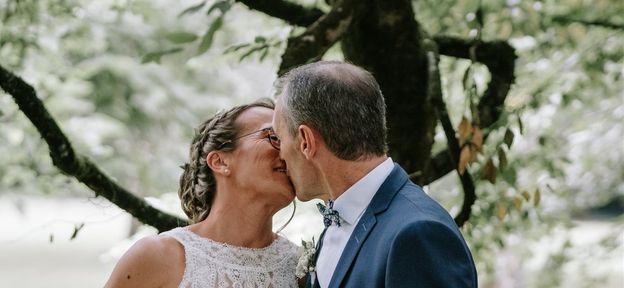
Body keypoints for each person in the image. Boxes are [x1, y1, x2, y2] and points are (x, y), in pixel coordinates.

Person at [273, 61, 478, 288]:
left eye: (279, 139)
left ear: (306, 142)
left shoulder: (418, 233)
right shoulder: (337, 222)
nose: (279, 154)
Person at [104, 99, 300, 288]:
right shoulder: (156, 257)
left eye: (291, 141)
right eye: (274, 138)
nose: (289, 151)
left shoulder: (301, 269)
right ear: (220, 162)